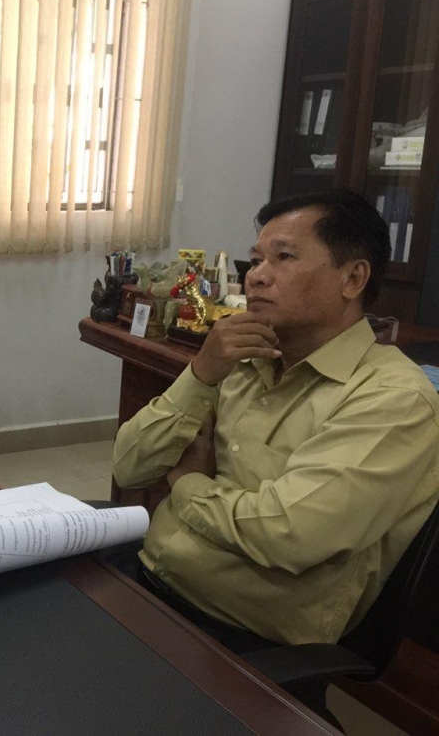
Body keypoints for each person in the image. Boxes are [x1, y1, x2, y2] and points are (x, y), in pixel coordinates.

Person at [111, 187, 439, 648]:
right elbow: (129, 466)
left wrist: (187, 484)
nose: (256, 277)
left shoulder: (393, 397)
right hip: (150, 577)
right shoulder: (240, 359)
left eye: (283, 258)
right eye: (256, 260)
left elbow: (289, 534)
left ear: (353, 278)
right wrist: (200, 374)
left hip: (235, 634)